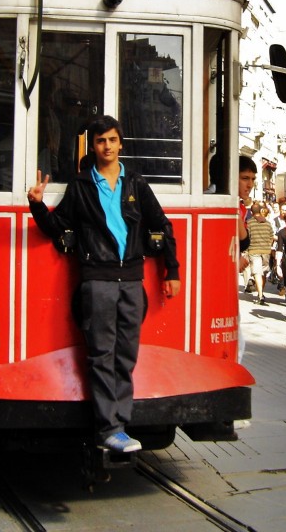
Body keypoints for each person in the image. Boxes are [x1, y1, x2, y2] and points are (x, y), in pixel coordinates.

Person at [27, 116, 181, 454]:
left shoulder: (135, 183)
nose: (107, 146)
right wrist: (38, 205)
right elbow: (57, 227)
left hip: (131, 281)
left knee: (125, 355)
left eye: (112, 140)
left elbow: (162, 225)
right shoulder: (81, 186)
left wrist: (172, 271)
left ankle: (119, 425)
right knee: (101, 355)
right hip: (97, 280)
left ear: (120, 144)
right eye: (100, 141)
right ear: (93, 146)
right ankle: (109, 427)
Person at [245, 203, 273, 305]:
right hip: (266, 250)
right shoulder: (268, 223)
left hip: (254, 250)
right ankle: (261, 293)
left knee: (257, 272)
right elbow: (271, 237)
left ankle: (260, 295)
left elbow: (247, 237)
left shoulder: (249, 223)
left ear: (251, 212)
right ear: (260, 210)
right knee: (264, 273)